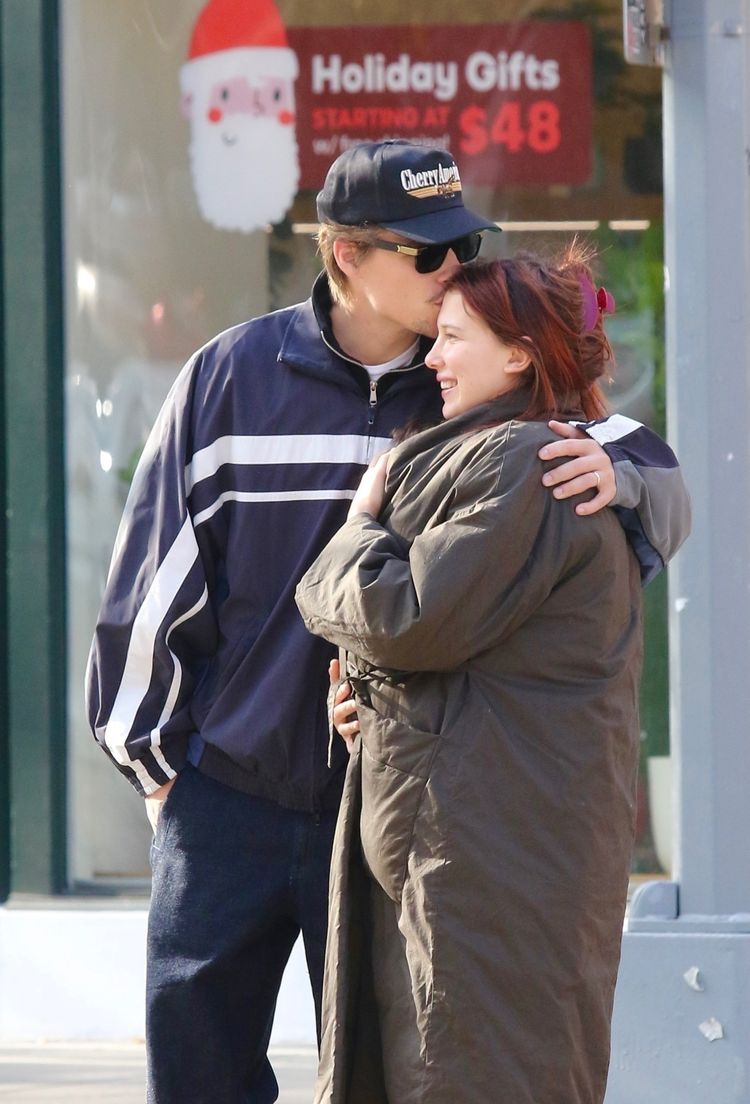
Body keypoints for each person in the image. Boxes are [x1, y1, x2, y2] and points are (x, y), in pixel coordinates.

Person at [86, 140, 689, 1104]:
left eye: (461, 242)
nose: (454, 267)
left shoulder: (475, 376)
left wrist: (630, 477)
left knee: (377, 1077)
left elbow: (636, 458)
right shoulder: (230, 377)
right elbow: (153, 581)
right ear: (345, 257)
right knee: (197, 1078)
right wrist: (161, 775)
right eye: (426, 252)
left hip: (383, 806)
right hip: (228, 797)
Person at [296, 248, 687, 1104]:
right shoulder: (517, 454)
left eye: (450, 337)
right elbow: (468, 645)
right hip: (475, 861)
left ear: (518, 353)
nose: (430, 356)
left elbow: (410, 616)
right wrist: (360, 690)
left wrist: (359, 527)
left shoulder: (528, 465)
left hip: (485, 872)